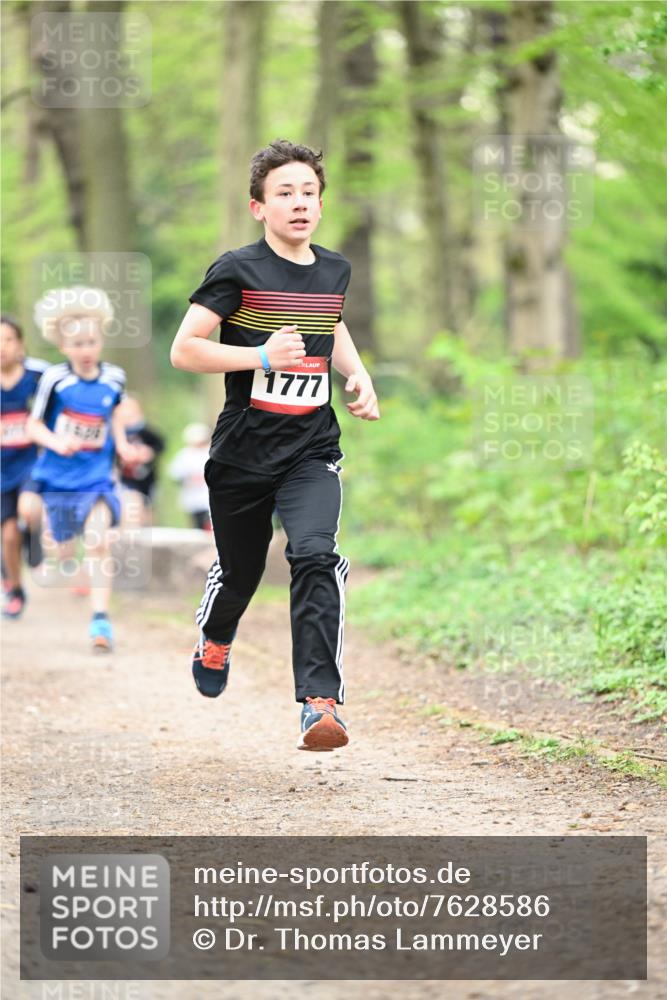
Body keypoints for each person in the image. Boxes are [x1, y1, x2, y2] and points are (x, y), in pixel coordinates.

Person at [170, 139, 379, 751]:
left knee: (315, 554)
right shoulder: (237, 269)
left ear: (321, 203)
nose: (299, 203)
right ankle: (216, 635)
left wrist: (357, 373)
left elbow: (330, 321)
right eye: (285, 193)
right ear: (259, 207)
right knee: (242, 571)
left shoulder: (334, 270)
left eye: (309, 192)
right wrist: (260, 355)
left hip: (311, 448)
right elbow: (184, 350)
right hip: (243, 453)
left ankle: (320, 703)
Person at [27, 286, 137, 651]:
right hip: (58, 476)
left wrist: (122, 444)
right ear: (63, 346)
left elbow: (115, 415)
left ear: (100, 341)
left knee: (99, 542)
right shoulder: (54, 379)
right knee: (63, 542)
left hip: (96, 476)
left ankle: (100, 621)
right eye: (77, 344)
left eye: (91, 342)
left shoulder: (115, 377)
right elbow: (33, 425)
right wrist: (57, 442)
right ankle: (51, 552)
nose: (86, 350)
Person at [0, 315, 49, 618]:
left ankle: (34, 539)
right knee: (7, 536)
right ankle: (15, 590)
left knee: (29, 510)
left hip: (33, 461)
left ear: (20, 344)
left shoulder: (39, 375)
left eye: (8, 340)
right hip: (2, 467)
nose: (2, 347)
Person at [116, 395, 165, 527]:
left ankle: (147, 527)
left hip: (146, 478)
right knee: (130, 503)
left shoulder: (145, 431)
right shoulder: (117, 433)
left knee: (148, 505)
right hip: (125, 479)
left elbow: (160, 445)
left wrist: (149, 452)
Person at [168, 423, 212, 530]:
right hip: (192, 497)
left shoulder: (211, 453)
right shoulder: (184, 455)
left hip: (209, 497)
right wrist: (190, 479)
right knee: (197, 524)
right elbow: (175, 474)